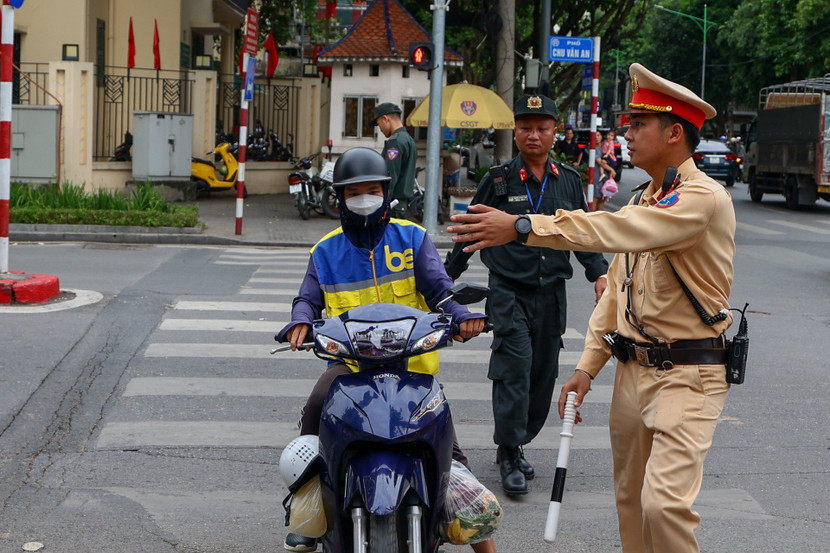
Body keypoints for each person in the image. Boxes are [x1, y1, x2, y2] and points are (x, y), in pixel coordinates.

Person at [445, 63, 736, 553]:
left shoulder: (699, 199)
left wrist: (521, 227)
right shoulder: (646, 196)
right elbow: (617, 292)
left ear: (674, 133)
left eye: (639, 124)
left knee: (663, 505)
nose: (628, 133)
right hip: (631, 370)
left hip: (687, 371)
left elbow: (608, 232)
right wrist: (587, 367)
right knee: (629, 501)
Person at [277, 147, 496, 553]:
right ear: (339, 197)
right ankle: (309, 510)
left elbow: (441, 291)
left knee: (451, 453)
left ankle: (480, 535)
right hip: (350, 366)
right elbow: (307, 298)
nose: (364, 198)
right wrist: (300, 322)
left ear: (386, 191)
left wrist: (463, 316)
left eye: (372, 190)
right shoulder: (325, 250)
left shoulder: (412, 238)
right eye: (354, 191)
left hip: (411, 366)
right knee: (314, 409)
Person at [443, 94, 609, 496]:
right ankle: (507, 450)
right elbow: (470, 232)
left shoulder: (568, 180)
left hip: (552, 294)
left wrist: (599, 274)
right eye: (525, 128)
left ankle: (519, 441)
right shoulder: (498, 180)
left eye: (542, 128)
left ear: (555, 132)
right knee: (514, 367)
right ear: (515, 132)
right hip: (508, 291)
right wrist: (444, 281)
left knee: (543, 374)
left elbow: (582, 234)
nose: (533, 135)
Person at [372, 102, 417, 219]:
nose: (380, 129)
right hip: (401, 205)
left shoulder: (395, 142)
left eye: (379, 124)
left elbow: (390, 177)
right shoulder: (408, 139)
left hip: (393, 206)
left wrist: (381, 205)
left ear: (385, 119)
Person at [593, 130, 617, 212]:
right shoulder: (594, 149)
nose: (596, 137)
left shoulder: (604, 146)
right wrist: (611, 170)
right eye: (595, 135)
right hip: (597, 177)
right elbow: (599, 162)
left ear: (602, 136)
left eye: (598, 135)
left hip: (606, 177)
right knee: (596, 198)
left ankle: (599, 218)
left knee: (603, 198)